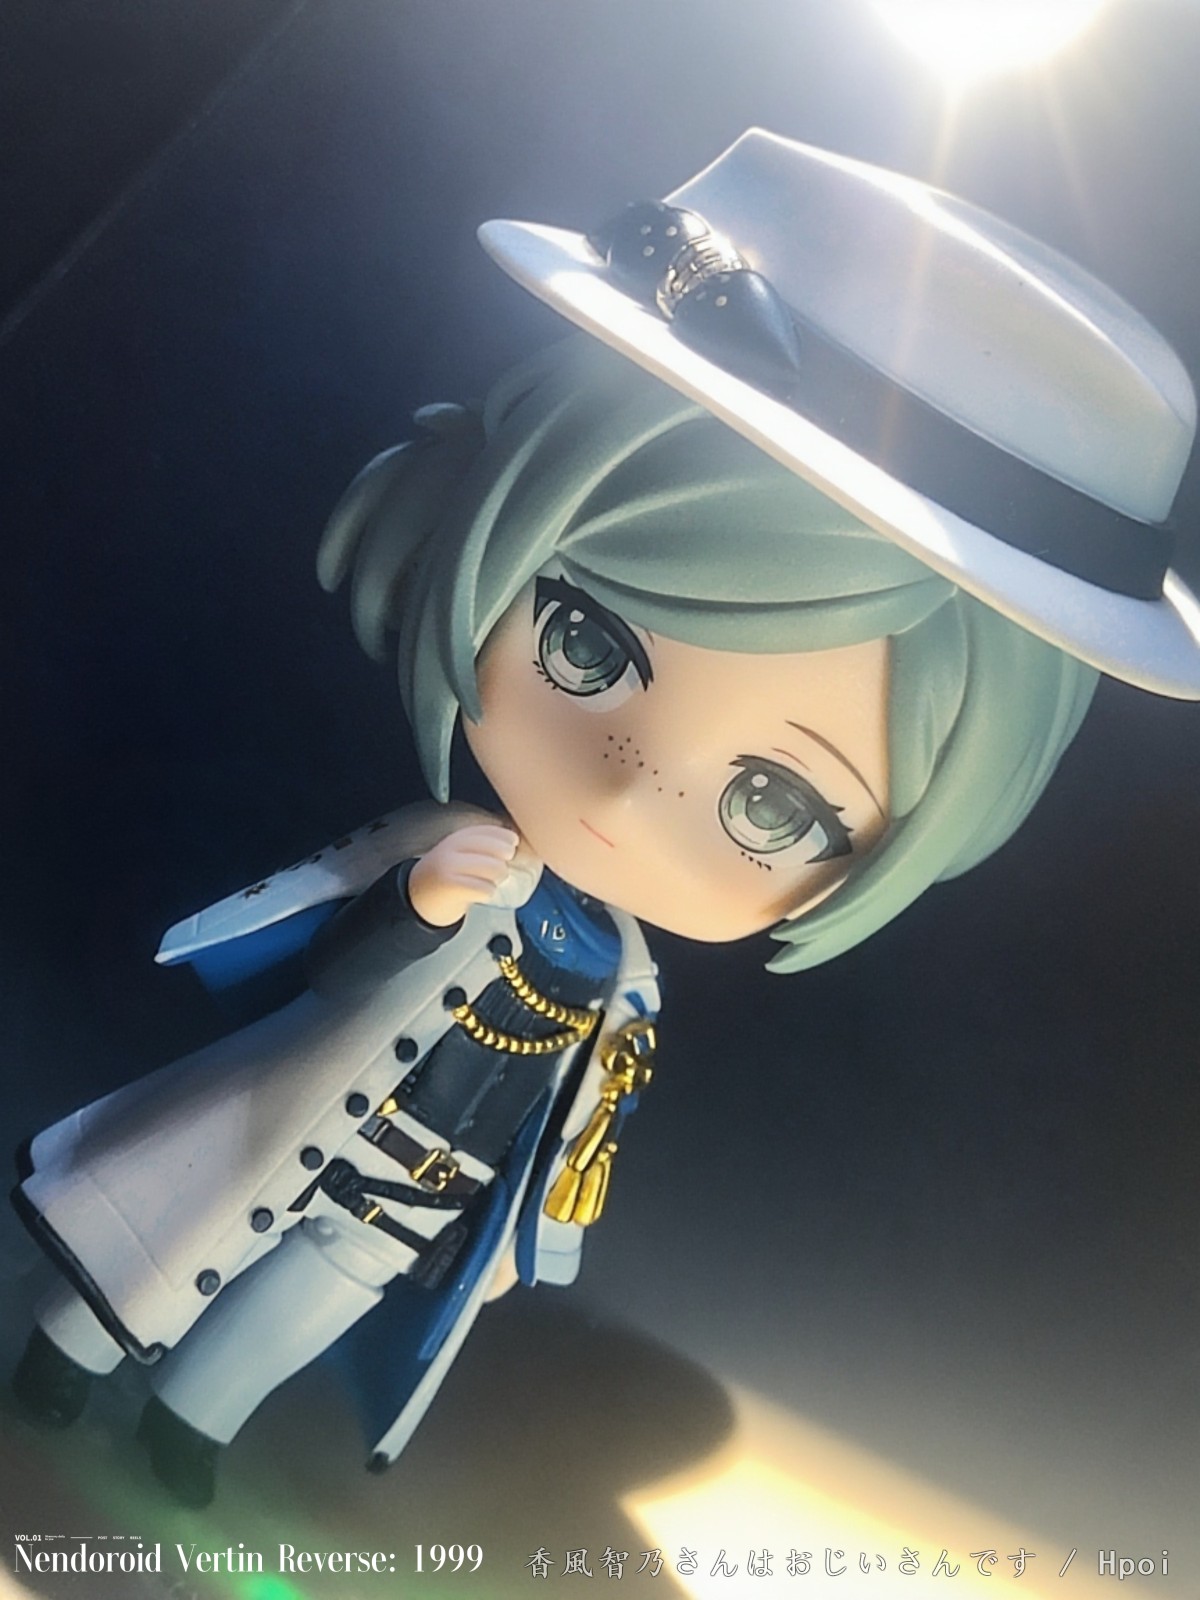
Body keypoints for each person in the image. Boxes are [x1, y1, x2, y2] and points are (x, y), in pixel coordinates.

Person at [11, 131, 1198, 1506]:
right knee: (168, 1235)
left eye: (774, 804)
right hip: (292, 1111)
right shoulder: (457, 857)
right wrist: (418, 907)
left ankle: (193, 1423)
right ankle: (66, 1352)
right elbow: (314, 943)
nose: (630, 793)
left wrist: (528, 1235)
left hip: (422, 1194)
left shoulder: (629, 982)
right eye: (583, 642)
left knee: (300, 1305)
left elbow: (588, 1118)